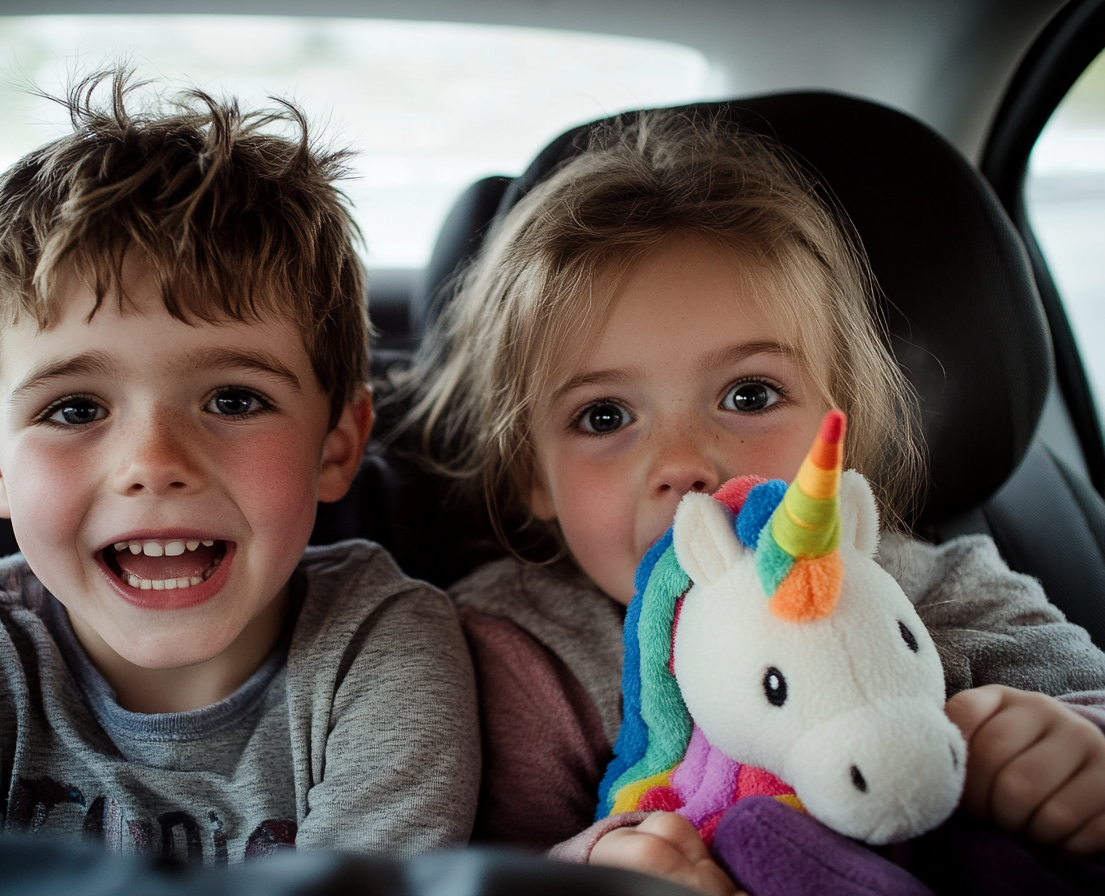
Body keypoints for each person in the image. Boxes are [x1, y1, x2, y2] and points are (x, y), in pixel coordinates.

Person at [401, 110, 1105, 895]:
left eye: (750, 393)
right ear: (534, 475)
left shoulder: (944, 583)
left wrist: (1073, 746)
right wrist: (595, 866)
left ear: (841, 428)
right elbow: (497, 864)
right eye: (604, 417)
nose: (683, 465)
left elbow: (1085, 692)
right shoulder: (521, 653)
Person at [0, 71, 478, 864]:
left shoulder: (383, 646)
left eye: (233, 400)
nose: (153, 464)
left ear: (336, 444)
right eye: (75, 410)